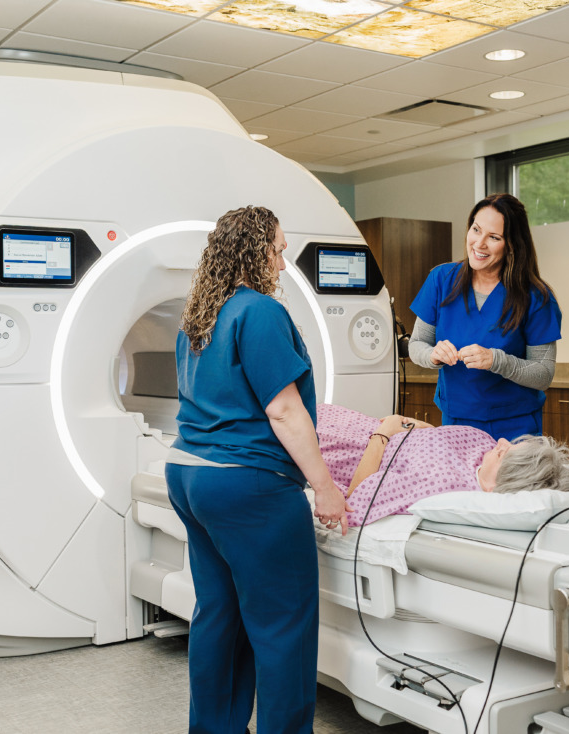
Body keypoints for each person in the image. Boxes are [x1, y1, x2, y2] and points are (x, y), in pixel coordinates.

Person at [165, 206, 349, 734]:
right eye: (278, 249)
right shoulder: (259, 311)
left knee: (219, 613)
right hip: (247, 485)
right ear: (253, 251)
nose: (283, 261)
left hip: (189, 475)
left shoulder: (198, 315)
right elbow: (283, 410)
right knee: (283, 625)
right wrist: (325, 487)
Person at [408, 193, 563, 441]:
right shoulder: (441, 280)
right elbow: (416, 344)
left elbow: (543, 374)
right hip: (456, 422)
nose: (479, 244)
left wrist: (495, 360)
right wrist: (433, 355)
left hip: (515, 427)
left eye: (494, 237)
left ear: (511, 244)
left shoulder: (536, 297)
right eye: (476, 230)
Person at [315, 403, 569, 527]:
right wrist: (406, 423)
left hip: (334, 448)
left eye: (503, 454)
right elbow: (435, 434)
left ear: (498, 485)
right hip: (343, 420)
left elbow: (359, 500)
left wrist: (384, 433)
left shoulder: (442, 485)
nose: (500, 442)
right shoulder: (483, 443)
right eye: (508, 444)